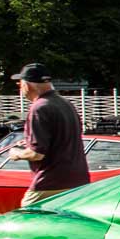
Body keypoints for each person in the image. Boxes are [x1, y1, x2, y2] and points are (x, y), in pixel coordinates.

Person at [10, 63, 88, 205]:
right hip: (78, 178)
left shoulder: (39, 108)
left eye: (19, 83)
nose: (20, 88)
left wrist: (16, 153)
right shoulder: (65, 104)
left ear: (27, 85)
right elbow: (62, 139)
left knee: (26, 215)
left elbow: (37, 154)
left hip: (51, 181)